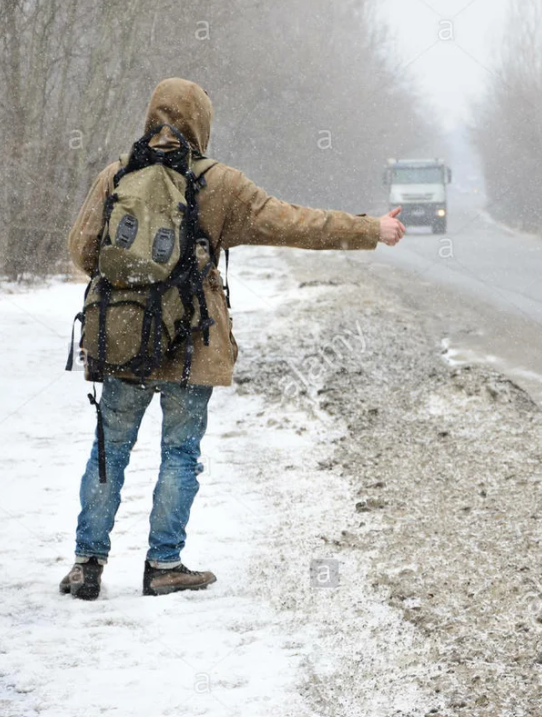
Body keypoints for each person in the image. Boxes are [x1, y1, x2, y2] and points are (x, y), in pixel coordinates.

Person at [59, 78, 405, 600]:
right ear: (201, 124)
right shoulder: (220, 184)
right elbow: (296, 224)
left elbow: (83, 251)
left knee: (110, 446)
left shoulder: (118, 174)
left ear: (152, 116)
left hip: (125, 340)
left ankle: (88, 563)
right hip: (191, 348)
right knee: (179, 452)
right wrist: (368, 230)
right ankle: (164, 565)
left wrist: (135, 282)